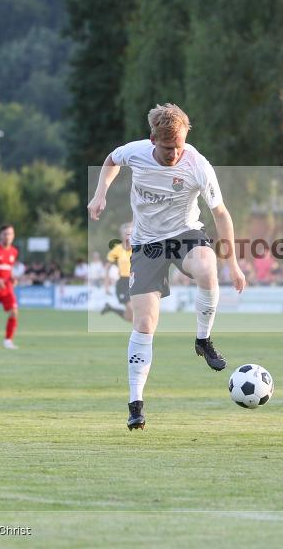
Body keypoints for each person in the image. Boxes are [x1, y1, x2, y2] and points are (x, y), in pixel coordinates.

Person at [87, 103, 247, 430]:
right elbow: (110, 160)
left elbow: (220, 214)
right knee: (144, 324)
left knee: (207, 268)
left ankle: (203, 340)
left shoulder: (198, 164)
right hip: (146, 243)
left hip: (185, 234)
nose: (175, 153)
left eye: (179, 146)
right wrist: (100, 192)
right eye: (167, 147)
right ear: (152, 140)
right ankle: (136, 404)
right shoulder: (136, 152)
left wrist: (233, 263)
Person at [102, 222, 133, 322]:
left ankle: (110, 308)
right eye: (126, 233)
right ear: (122, 235)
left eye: (130, 233)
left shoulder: (138, 248)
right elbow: (107, 268)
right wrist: (106, 285)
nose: (128, 236)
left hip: (136, 282)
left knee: (129, 318)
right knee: (132, 309)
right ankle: (140, 336)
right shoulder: (117, 250)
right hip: (123, 283)